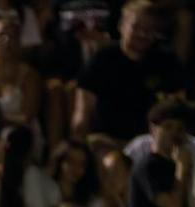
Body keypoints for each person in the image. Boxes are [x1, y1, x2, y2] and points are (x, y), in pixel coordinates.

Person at [71, 1, 186, 144]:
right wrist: (78, 142)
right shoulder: (101, 60)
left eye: (149, 29)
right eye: (136, 27)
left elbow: (177, 108)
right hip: (106, 141)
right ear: (121, 27)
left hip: (153, 143)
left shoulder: (167, 62)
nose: (142, 34)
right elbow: (83, 111)